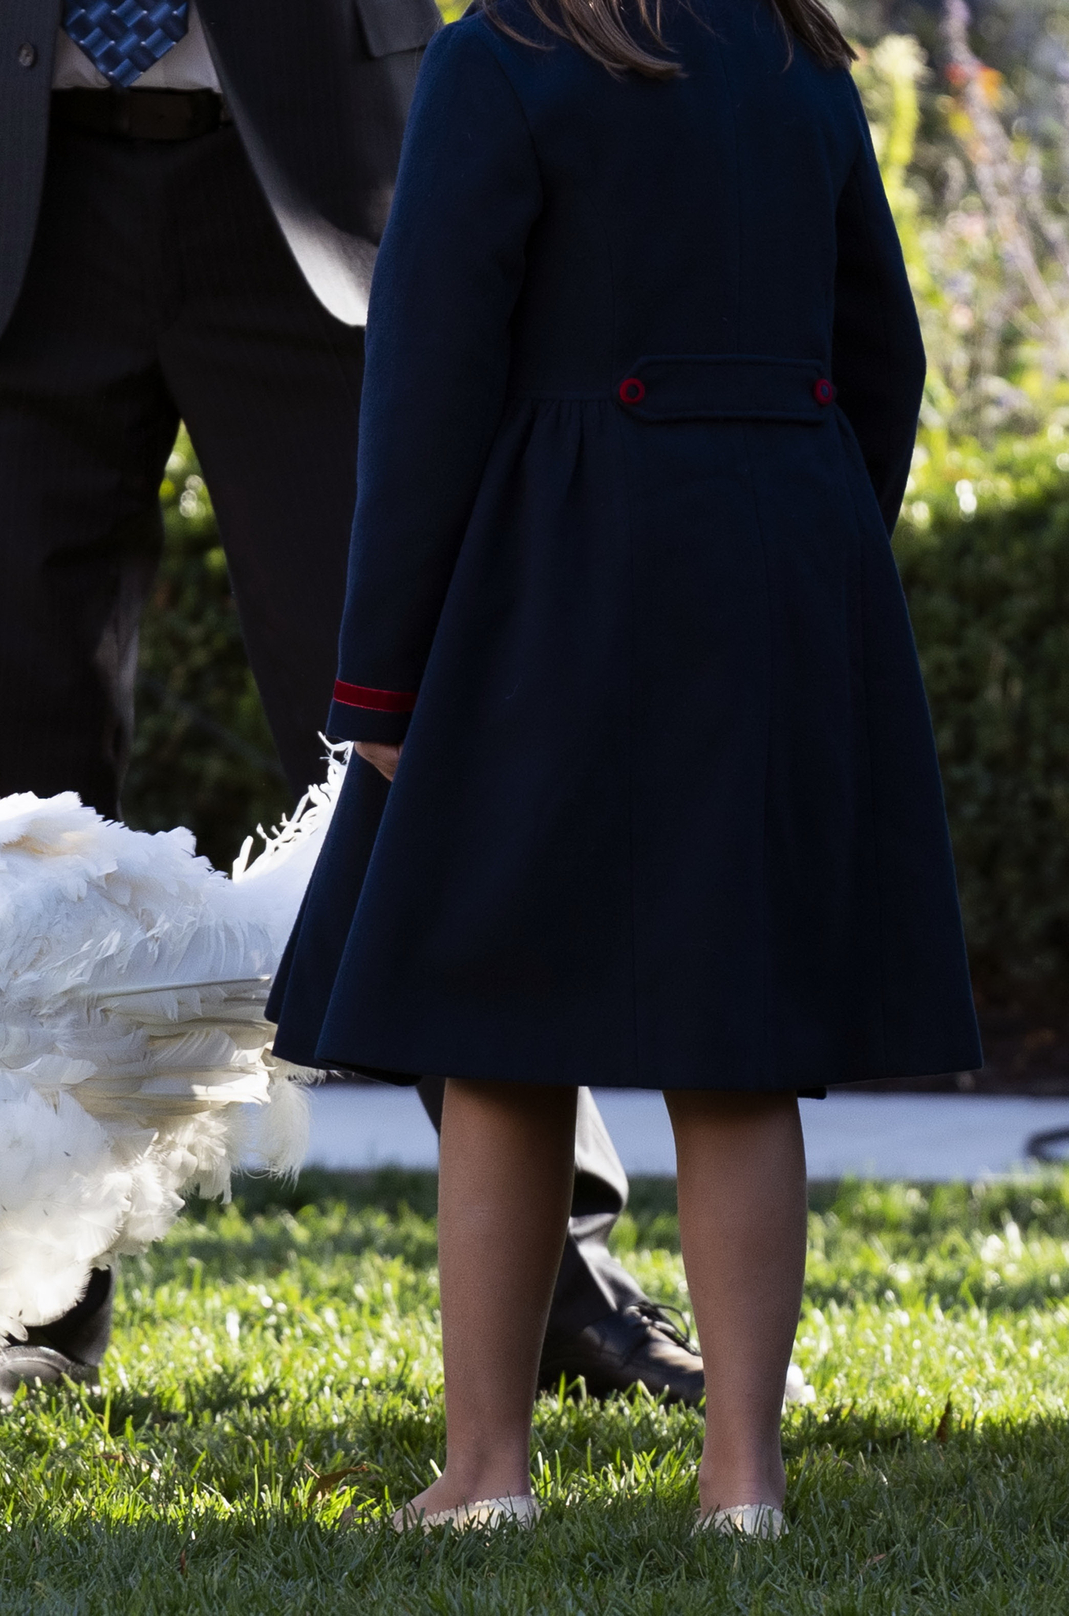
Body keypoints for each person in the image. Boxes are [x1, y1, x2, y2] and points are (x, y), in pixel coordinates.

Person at [0, 0, 702, 1407]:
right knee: (1, 802)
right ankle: (18, 1298)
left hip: (323, 184)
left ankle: (567, 1282)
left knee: (418, 745)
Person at [271, 0, 982, 1535]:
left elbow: (432, 376)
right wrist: (812, 539)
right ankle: (744, 1479)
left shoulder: (505, 54)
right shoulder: (806, 61)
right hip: (780, 571)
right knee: (735, 1043)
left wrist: (381, 671)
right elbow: (884, 352)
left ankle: (486, 1472)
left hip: (555, 581)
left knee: (501, 1029)